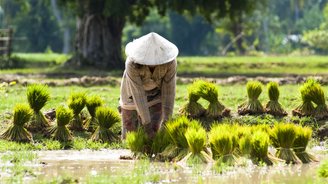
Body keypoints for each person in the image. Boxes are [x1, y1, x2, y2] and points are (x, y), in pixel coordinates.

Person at [119, 32, 178, 139]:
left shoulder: (170, 63)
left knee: (156, 131)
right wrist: (147, 126)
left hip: (156, 94)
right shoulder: (132, 64)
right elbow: (138, 94)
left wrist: (166, 120)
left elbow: (169, 91)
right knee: (130, 137)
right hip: (132, 94)